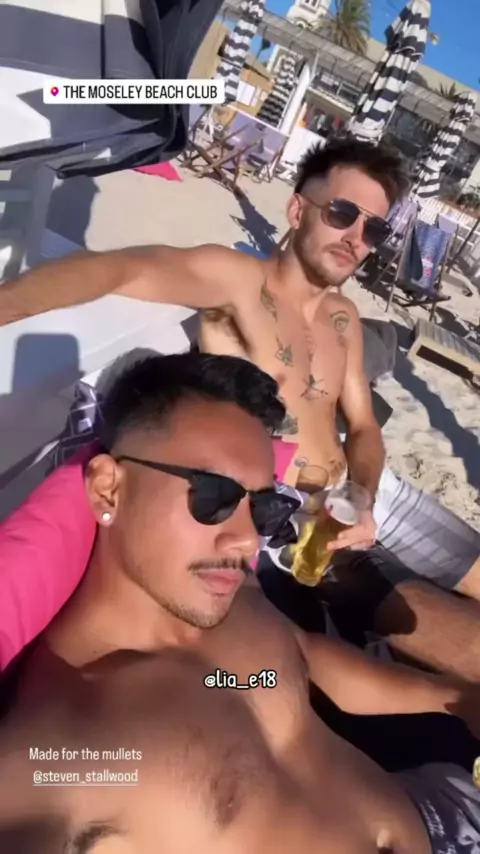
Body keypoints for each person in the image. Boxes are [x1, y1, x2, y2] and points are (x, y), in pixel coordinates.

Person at [1, 138, 479, 678]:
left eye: (374, 229)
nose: (355, 238)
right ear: (297, 210)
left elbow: (365, 426)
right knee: (461, 642)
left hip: (362, 493)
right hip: (292, 519)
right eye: (342, 213)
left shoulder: (344, 317)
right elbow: (116, 270)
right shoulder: (238, 283)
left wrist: (363, 494)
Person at [1, 351, 480, 853]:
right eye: (214, 496)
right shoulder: (67, 742)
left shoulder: (228, 593)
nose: (248, 539)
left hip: (441, 810)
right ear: (107, 489)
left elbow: (291, 661)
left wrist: (453, 697)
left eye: (262, 506)